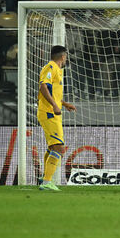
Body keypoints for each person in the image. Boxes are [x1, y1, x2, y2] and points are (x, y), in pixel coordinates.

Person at [37, 45, 77, 191]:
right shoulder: (51, 67)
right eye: (66, 56)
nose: (66, 58)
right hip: (48, 112)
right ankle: (47, 181)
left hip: (51, 111)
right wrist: (54, 105)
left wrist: (64, 104)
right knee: (59, 147)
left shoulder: (58, 70)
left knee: (53, 147)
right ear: (63, 56)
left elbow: (53, 93)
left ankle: (44, 177)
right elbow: (43, 87)